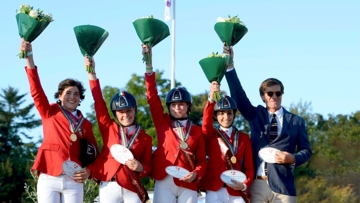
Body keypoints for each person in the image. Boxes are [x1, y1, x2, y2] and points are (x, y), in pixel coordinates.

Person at [223, 45, 312, 203]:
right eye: (270, 93)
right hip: (258, 184)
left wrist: (292, 158)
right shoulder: (256, 115)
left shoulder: (297, 121)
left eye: (278, 93)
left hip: (284, 186)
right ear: (263, 97)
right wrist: (230, 66)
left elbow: (306, 151)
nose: (274, 97)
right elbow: (238, 95)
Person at [21, 39, 98, 203]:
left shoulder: (85, 124)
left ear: (80, 99)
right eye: (68, 93)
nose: (72, 97)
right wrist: (29, 58)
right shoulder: (49, 111)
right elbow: (36, 91)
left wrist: (89, 171)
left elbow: (94, 153)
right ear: (59, 96)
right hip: (49, 174)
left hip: (74, 178)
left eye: (76, 94)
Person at [142, 44, 207, 203]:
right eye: (173, 105)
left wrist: (196, 174)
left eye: (181, 104)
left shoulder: (197, 131)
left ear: (188, 107)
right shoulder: (162, 121)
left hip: (188, 180)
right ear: (169, 107)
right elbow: (152, 98)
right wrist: (149, 67)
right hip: (164, 178)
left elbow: (201, 161)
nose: (177, 108)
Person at [85, 56, 152, 203]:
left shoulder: (146, 138)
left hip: (132, 186)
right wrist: (92, 73)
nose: (125, 115)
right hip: (109, 184)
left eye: (128, 111)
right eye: (121, 112)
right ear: (116, 114)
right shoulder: (108, 127)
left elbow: (147, 167)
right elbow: (98, 101)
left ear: (134, 110)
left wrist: (141, 167)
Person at [200, 81, 254, 203]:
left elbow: (249, 168)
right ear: (215, 116)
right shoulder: (211, 134)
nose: (226, 117)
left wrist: (244, 185)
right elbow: (205, 124)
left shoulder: (244, 138)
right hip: (215, 188)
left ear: (234, 114)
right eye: (221, 113)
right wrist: (211, 99)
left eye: (229, 113)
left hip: (236, 189)